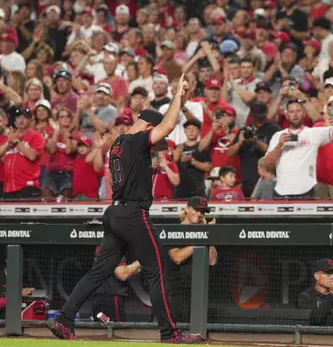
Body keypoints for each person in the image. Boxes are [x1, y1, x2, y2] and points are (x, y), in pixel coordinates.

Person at [50, 74, 202, 344]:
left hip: (115, 213)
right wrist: (178, 96)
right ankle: (171, 334)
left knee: (99, 271)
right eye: (154, 136)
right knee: (156, 271)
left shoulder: (119, 144)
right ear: (146, 126)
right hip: (132, 213)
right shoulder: (135, 140)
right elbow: (166, 126)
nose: (156, 146)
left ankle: (64, 320)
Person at [265, 97, 333, 199]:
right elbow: (268, 164)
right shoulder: (278, 135)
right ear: (286, 115)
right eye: (291, 112)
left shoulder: (314, 133)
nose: (295, 115)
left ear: (304, 113)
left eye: (298, 111)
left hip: (306, 192)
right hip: (281, 192)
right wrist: (279, 146)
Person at [167, 197, 217, 323]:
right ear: (187, 209)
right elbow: (177, 258)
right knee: (176, 329)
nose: (199, 214)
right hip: (176, 290)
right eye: (196, 210)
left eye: (202, 212)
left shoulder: (204, 233)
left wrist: (208, 234)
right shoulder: (174, 230)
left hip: (198, 290)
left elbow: (212, 261)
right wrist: (200, 237)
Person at [296, 259, 333, 326]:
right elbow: (313, 321)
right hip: (316, 336)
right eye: (328, 273)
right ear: (317, 276)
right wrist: (331, 295)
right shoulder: (305, 297)